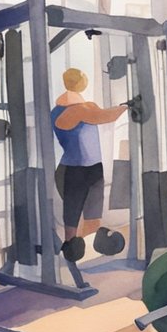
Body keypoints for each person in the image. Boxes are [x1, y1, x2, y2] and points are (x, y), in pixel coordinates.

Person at [51, 68, 129, 261]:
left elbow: (100, 113)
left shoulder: (85, 106)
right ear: (81, 83)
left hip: (94, 167)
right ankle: (71, 249)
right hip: (73, 170)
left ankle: (90, 251)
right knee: (73, 213)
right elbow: (105, 116)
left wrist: (122, 107)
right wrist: (127, 106)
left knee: (93, 213)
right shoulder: (73, 110)